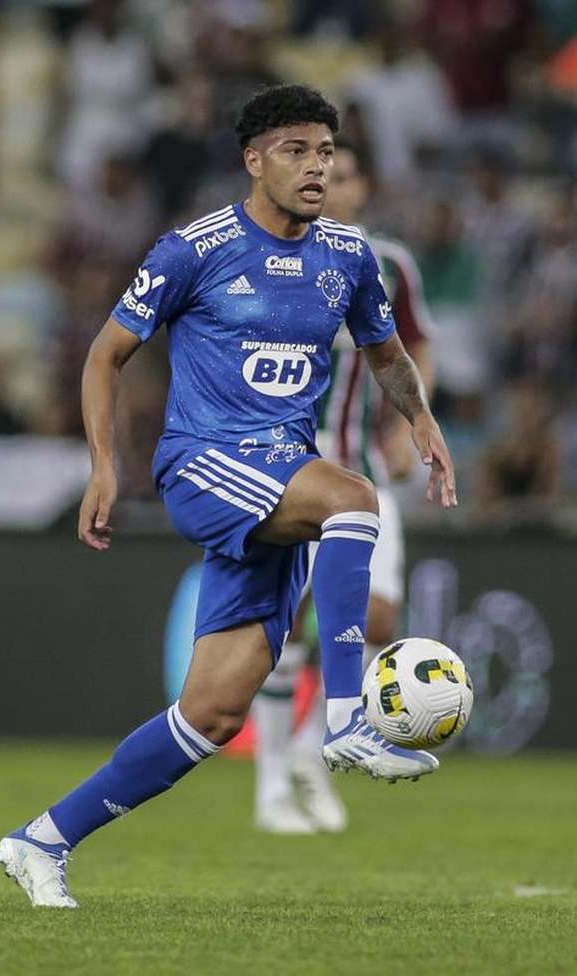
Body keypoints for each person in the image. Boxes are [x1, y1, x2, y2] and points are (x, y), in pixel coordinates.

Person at [0, 85, 456, 908]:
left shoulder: (348, 258)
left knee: (210, 716)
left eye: (324, 152)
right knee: (353, 500)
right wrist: (104, 466)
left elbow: (386, 352)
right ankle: (348, 718)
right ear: (254, 160)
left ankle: (42, 839)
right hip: (205, 463)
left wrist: (420, 421)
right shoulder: (194, 249)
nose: (315, 168)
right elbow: (105, 356)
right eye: (296, 151)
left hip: (280, 472)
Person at [253, 139, 436, 834]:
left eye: (348, 173)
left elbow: (417, 350)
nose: (335, 182)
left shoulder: (389, 266)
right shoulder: (277, 260)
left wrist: (410, 419)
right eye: (326, 172)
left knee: (380, 619)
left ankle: (310, 749)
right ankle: (271, 789)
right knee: (291, 627)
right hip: (293, 475)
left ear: (363, 188)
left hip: (362, 471)